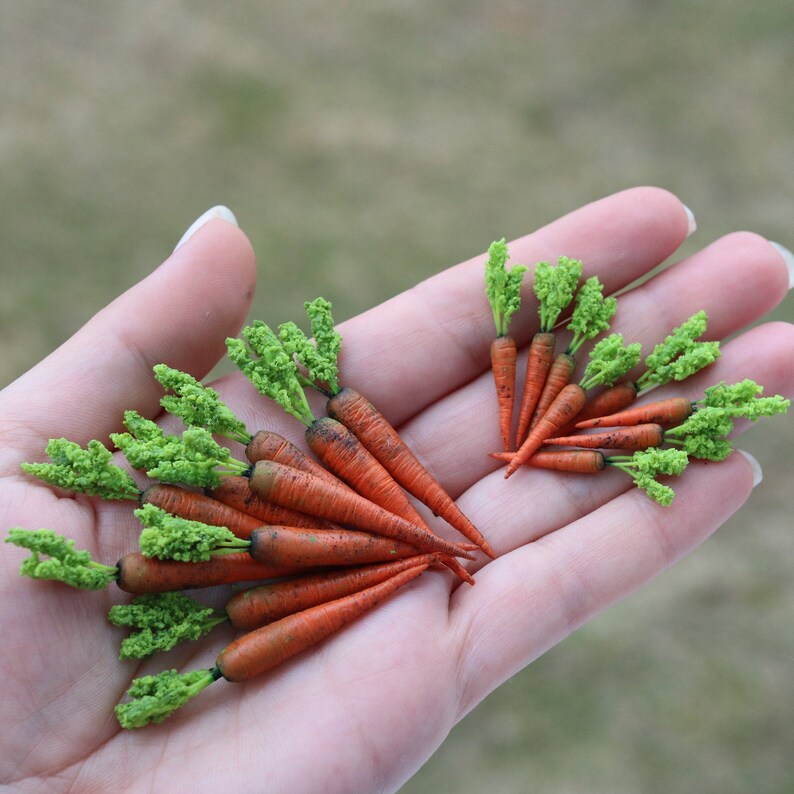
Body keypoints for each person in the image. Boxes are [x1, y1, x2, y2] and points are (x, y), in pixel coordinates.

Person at [1, 188, 792, 792]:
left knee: (387, 518)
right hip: (275, 550)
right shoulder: (252, 503)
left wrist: (450, 510)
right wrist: (411, 541)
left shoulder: (309, 443)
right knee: (364, 535)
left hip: (323, 494)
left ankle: (428, 525)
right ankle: (408, 541)